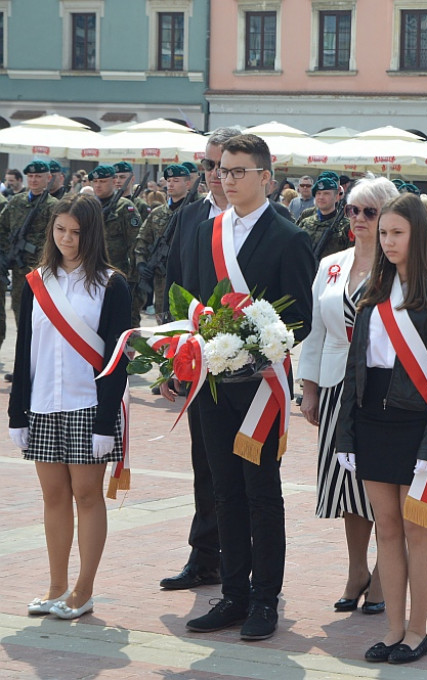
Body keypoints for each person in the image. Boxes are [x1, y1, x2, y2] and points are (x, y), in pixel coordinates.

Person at [176, 134, 314, 641]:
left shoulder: (289, 236)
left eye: (238, 172)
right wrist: (185, 359)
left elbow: (299, 316)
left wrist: (255, 344)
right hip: (213, 382)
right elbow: (188, 305)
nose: (226, 180)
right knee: (224, 489)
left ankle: (264, 599)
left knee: (261, 493)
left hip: (261, 384)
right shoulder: (205, 231)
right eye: (223, 171)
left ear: (265, 178)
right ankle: (232, 593)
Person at [335, 193, 427, 664]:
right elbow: (355, 371)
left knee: (418, 532)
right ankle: (392, 629)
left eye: (396, 233)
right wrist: (346, 435)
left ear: (419, 235)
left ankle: (418, 632)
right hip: (373, 423)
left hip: (418, 426)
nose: (387, 241)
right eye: (383, 233)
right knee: (385, 529)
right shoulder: (372, 294)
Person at [8, 193, 131, 619]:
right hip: (43, 403)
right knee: (53, 496)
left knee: (86, 495)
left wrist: (104, 422)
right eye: (60, 230)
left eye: (76, 232)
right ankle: (56, 585)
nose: (67, 239)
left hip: (88, 404)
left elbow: (118, 360)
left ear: (92, 234)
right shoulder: (36, 282)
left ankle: (83, 589)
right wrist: (16, 412)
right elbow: (25, 350)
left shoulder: (111, 284)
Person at [298, 177, 397, 614]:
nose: (358, 219)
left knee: (381, 485)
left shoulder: (399, 267)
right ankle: (357, 569)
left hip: (383, 390)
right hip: (337, 385)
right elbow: (317, 332)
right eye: (353, 210)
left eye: (369, 212)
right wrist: (309, 388)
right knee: (345, 485)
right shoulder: (332, 264)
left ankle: (383, 573)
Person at [159, 127, 241, 591]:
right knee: (205, 462)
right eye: (208, 166)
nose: (213, 176)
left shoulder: (257, 223)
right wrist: (171, 359)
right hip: (199, 361)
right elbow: (174, 287)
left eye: (222, 167)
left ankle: (244, 562)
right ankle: (205, 556)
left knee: (247, 468)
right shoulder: (190, 217)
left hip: (249, 368)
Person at [0, 160, 58, 366]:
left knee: (43, 320)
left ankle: (41, 364)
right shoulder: (16, 202)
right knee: (20, 317)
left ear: (48, 178)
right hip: (18, 272)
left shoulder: (54, 206)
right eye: (30, 177)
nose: (33, 180)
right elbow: (2, 228)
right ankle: (23, 364)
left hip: (43, 274)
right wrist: (6, 254)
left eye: (38, 176)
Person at [134, 164, 190, 321]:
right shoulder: (158, 213)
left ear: (187, 184)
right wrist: (141, 264)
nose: (170, 184)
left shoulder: (194, 211)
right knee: (163, 322)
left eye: (176, 180)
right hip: (161, 281)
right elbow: (142, 240)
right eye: (169, 180)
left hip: (186, 278)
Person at [88, 165, 142, 327]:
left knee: (124, 322)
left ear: (113, 181)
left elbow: (135, 244)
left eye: (103, 181)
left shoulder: (125, 208)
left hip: (119, 274)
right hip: (92, 273)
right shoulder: (88, 206)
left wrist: (132, 278)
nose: (98, 185)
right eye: (95, 181)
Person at [297, 175, 351, 261]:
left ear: (336, 197)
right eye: (318, 193)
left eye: (326, 193)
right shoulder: (305, 222)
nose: (321, 197)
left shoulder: (346, 226)